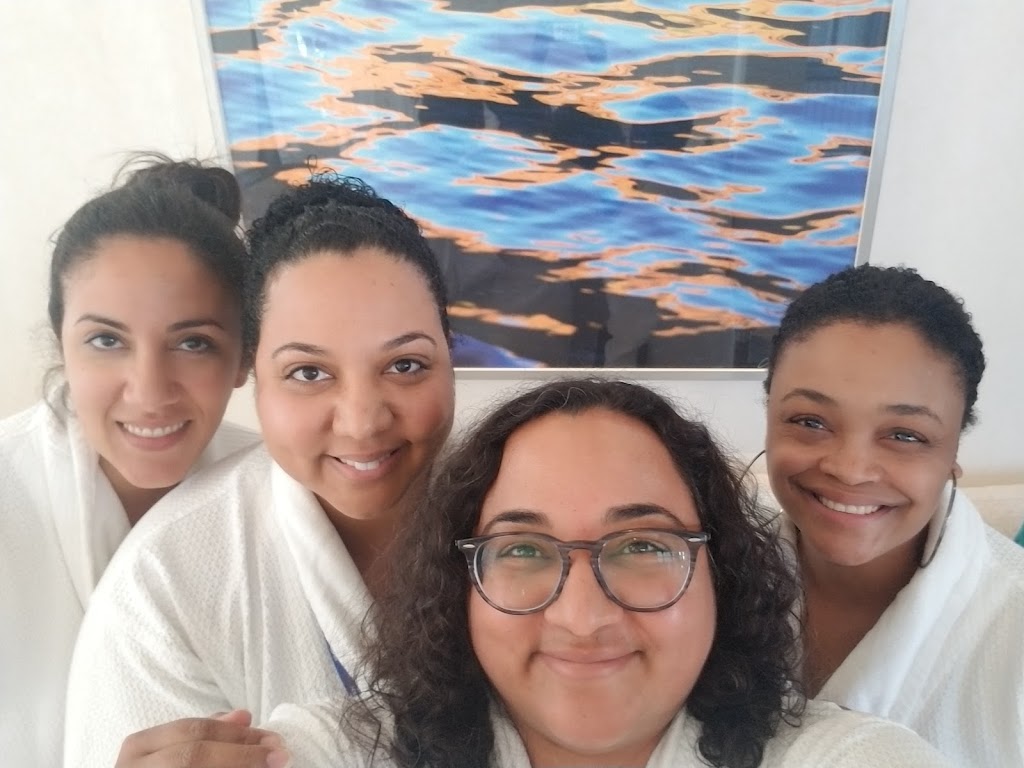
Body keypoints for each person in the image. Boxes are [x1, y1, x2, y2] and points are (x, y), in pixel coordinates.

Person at [245, 379, 947, 768]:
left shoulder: (841, 758)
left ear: (722, 574)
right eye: (522, 550)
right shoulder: (354, 752)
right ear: (459, 586)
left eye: (642, 546)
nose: (581, 620)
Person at [62, 174, 456, 768]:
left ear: (451, 354)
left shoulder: (526, 511)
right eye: (308, 373)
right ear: (252, 376)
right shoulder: (162, 586)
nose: (362, 423)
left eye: (405, 364)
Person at [0, 157, 257, 768]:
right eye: (106, 340)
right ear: (61, 343)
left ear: (244, 358)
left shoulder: (273, 491)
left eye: (193, 343)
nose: (149, 393)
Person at [762, 264, 1024, 765]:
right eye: (810, 421)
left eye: (905, 435)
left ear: (953, 452)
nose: (850, 469)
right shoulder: (711, 578)